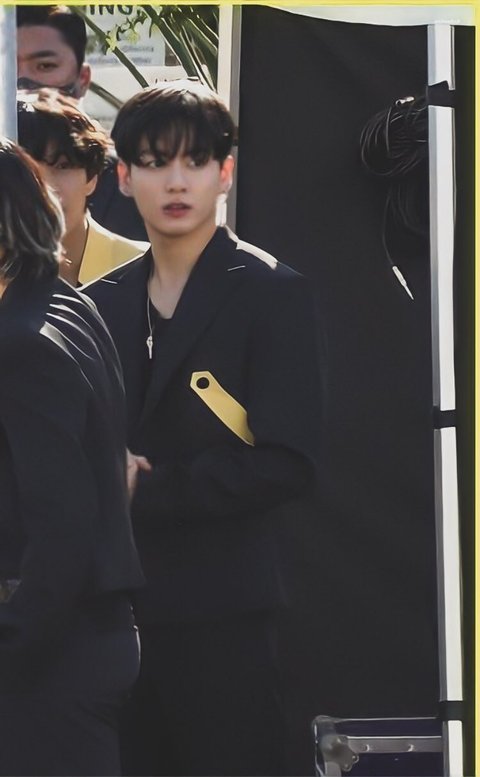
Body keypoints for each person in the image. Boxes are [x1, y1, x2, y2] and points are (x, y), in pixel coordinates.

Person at [84, 80, 325, 777]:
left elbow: (289, 460)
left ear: (226, 171)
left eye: (194, 160)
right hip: (110, 615)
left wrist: (145, 488)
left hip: (226, 612)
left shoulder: (273, 292)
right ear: (123, 177)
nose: (176, 180)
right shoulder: (98, 302)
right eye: (155, 161)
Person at [0, 137, 145, 777]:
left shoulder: (21, 343)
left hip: (48, 653)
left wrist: (14, 644)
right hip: (85, 637)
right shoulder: (67, 303)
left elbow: (62, 523)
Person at [16, 4, 148, 240]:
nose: (22, 82)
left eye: (45, 66)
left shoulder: (125, 186)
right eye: (6, 66)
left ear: (83, 79)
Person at [17, 88, 148, 286]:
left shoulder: (146, 269)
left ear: (92, 178)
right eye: (26, 168)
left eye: (62, 166)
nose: (47, 187)